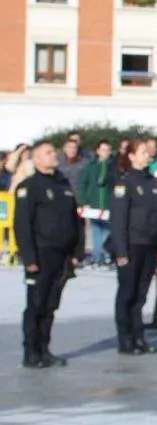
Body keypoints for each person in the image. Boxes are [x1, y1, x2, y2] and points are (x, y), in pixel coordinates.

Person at [14, 140, 83, 368]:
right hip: (41, 255)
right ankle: (31, 352)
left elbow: (75, 221)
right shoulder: (29, 187)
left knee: (51, 304)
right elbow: (22, 226)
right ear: (37, 159)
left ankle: (45, 348)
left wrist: (76, 252)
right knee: (36, 304)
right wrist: (29, 258)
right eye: (49, 152)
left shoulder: (62, 184)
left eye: (54, 151)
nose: (54, 154)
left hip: (61, 256)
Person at [110, 139, 157, 355]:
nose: (148, 155)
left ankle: (138, 337)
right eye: (143, 152)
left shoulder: (152, 182)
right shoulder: (124, 183)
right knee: (127, 293)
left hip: (150, 245)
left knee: (141, 295)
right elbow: (118, 220)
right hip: (132, 245)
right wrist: (121, 251)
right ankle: (125, 339)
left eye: (148, 152)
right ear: (132, 156)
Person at [78, 140, 116, 268]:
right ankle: (96, 257)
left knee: (107, 231)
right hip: (93, 204)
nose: (105, 152)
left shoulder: (113, 166)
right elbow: (83, 184)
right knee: (96, 230)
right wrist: (84, 201)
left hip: (108, 204)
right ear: (98, 151)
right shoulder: (90, 166)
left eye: (108, 150)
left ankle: (106, 256)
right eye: (103, 150)